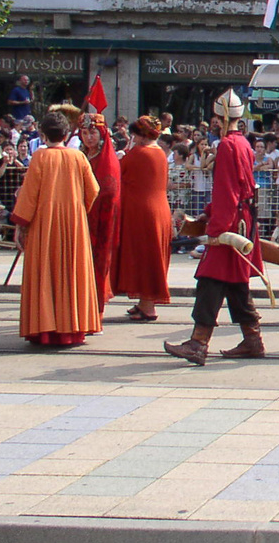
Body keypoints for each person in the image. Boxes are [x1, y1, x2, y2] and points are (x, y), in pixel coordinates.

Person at [164, 90, 265, 364]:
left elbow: (228, 190)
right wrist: (208, 214)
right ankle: (252, 339)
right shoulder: (242, 143)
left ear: (220, 116)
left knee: (210, 280)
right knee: (235, 285)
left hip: (230, 222)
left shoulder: (227, 145)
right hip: (239, 218)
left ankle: (198, 343)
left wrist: (216, 228)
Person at [11, 111, 101, 347]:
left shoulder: (40, 157)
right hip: (74, 223)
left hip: (44, 223)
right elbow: (93, 190)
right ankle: (74, 326)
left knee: (45, 272)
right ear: (66, 133)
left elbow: (29, 195)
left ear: (43, 134)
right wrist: (78, 211)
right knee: (72, 271)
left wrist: (20, 225)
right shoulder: (79, 157)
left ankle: (45, 328)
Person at [113, 116, 172, 322]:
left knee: (143, 257)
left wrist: (123, 153)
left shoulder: (138, 153)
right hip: (159, 210)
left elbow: (118, 171)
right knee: (152, 255)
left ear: (140, 135)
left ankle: (148, 306)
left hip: (142, 213)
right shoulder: (160, 153)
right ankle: (144, 303)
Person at [79, 115, 121, 314]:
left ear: (102, 134)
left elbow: (109, 190)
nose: (89, 137)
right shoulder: (81, 156)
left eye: (93, 132)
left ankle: (96, 310)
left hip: (100, 219)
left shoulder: (107, 159)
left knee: (98, 262)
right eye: (85, 133)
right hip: (82, 218)